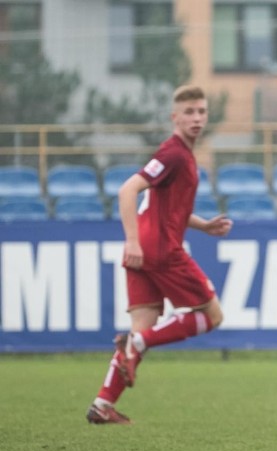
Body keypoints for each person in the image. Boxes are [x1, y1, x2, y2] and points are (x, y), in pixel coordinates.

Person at [86, 85, 233, 425]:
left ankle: (103, 404)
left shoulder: (180, 156)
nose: (197, 118)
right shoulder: (174, 154)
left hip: (144, 250)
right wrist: (133, 240)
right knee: (212, 315)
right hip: (160, 250)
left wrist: (203, 227)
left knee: (143, 323)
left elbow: (162, 206)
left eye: (201, 111)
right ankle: (137, 342)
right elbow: (128, 190)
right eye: (189, 112)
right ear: (175, 117)